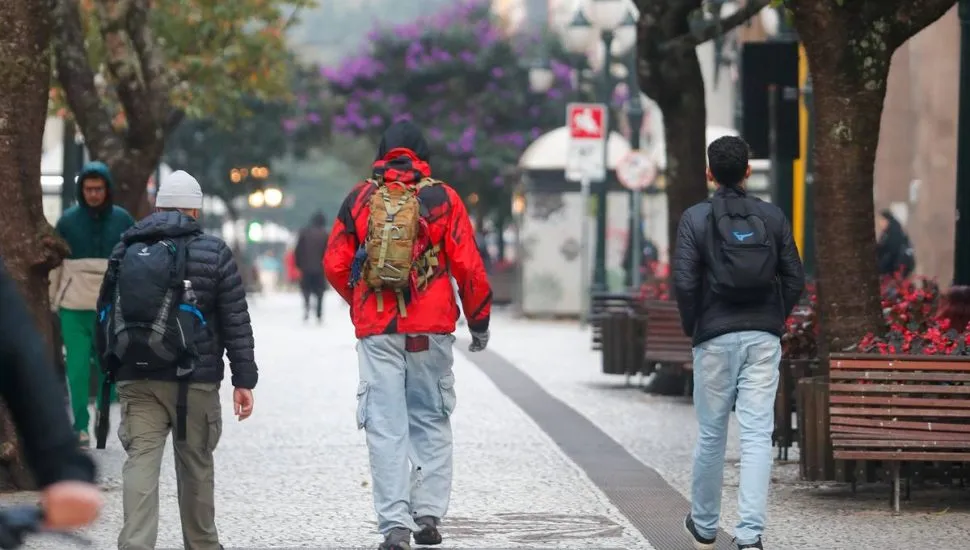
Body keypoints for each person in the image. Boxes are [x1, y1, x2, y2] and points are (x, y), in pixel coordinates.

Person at [324, 121, 492, 550]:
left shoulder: (361, 198)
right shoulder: (443, 198)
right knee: (430, 419)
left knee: (385, 426)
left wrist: (362, 303)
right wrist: (479, 321)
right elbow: (468, 265)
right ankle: (428, 514)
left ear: (382, 153)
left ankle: (395, 525)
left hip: (378, 331)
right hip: (430, 330)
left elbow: (335, 264)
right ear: (423, 155)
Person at [97, 171, 257, 550]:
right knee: (195, 466)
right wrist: (244, 380)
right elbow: (235, 320)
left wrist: (110, 366)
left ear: (157, 208)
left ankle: (135, 545)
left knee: (140, 462)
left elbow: (103, 312)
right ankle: (202, 545)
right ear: (195, 211)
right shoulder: (214, 252)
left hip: (136, 374)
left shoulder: (124, 249)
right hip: (193, 379)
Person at [672, 136, 804, 550]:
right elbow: (795, 278)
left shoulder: (695, 218)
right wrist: (773, 319)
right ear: (748, 171)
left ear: (709, 173)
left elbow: (684, 282)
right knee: (757, 434)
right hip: (763, 337)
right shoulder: (772, 216)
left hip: (714, 336)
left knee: (712, 434)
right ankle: (749, 536)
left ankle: (704, 526)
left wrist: (695, 326)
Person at [0, 260, 102, 531]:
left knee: (78, 372)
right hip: (92, 306)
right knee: (94, 371)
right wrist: (63, 468)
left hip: (76, 303)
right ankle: (92, 420)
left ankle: (84, 425)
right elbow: (17, 352)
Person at [50, 161, 134, 446]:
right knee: (76, 369)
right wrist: (53, 299)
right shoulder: (67, 222)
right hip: (74, 305)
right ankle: (79, 426)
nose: (94, 194)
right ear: (81, 190)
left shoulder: (123, 221)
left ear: (107, 189)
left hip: (110, 305)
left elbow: (134, 261)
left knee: (108, 367)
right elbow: (56, 264)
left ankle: (101, 414)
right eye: (88, 189)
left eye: (98, 188)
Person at [294, 211, 330, 323]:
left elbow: (298, 250)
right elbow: (328, 252)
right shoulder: (325, 235)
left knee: (306, 290)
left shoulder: (304, 233)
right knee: (320, 292)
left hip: (306, 268)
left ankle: (307, 307)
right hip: (320, 269)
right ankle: (318, 313)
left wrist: (299, 264)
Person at [876, 209, 916, 278]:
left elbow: (890, 251)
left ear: (887, 220)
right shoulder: (888, 232)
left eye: (881, 220)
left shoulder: (894, 232)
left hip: (899, 265)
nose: (880, 223)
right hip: (898, 265)